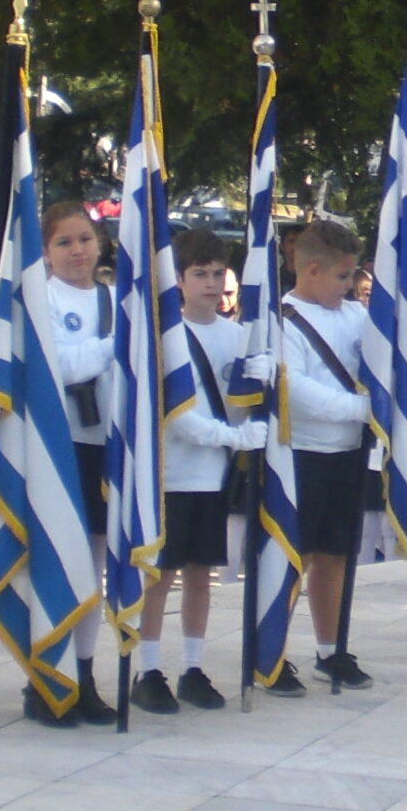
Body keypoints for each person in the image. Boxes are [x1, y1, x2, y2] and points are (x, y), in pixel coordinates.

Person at [133, 230, 260, 711]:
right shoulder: (168, 336)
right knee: (160, 577)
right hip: (173, 474)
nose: (210, 283)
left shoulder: (236, 335)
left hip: (214, 478)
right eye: (199, 274)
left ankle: (192, 666)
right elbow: (177, 416)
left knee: (201, 573)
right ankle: (147, 669)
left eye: (217, 273)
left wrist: (261, 388)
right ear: (180, 281)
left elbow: (242, 405)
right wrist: (232, 437)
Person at [271, 217, 381, 693]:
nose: (350, 285)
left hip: (348, 454)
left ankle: (329, 649)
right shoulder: (283, 319)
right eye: (342, 276)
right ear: (311, 270)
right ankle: (271, 651)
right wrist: (359, 408)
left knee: (335, 554)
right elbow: (294, 389)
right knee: (297, 553)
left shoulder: (355, 315)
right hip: (304, 453)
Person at [27, 199, 120, 726]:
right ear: (46, 251)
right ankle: (45, 676)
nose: (77, 251)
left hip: (104, 447)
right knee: (58, 561)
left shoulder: (114, 300)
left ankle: (83, 673)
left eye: (84, 239)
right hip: (59, 448)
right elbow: (57, 365)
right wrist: (113, 347)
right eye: (63, 242)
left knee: (95, 567)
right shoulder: (40, 299)